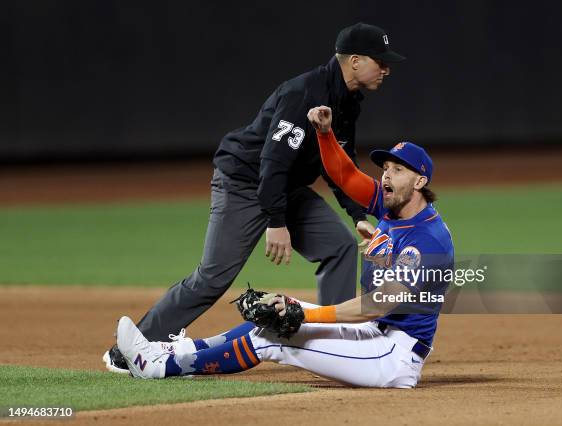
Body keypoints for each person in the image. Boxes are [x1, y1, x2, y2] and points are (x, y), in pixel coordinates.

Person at [103, 23, 406, 373]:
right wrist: (276, 222)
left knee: (339, 246)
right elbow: (272, 162)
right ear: (354, 61)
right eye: (379, 61)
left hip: (283, 187)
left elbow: (338, 166)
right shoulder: (305, 93)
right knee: (213, 277)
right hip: (245, 183)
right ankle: (128, 351)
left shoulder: (347, 102)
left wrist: (357, 215)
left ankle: (331, 342)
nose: (386, 68)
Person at [113, 106, 454, 388]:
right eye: (385, 168)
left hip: (392, 355)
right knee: (271, 316)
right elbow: (345, 175)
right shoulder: (391, 207)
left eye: (398, 170)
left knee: (272, 336)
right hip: (374, 333)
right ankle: (168, 350)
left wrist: (307, 314)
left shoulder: (428, 239)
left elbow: (376, 306)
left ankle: (159, 368)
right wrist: (324, 134)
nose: (386, 176)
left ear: (420, 182)